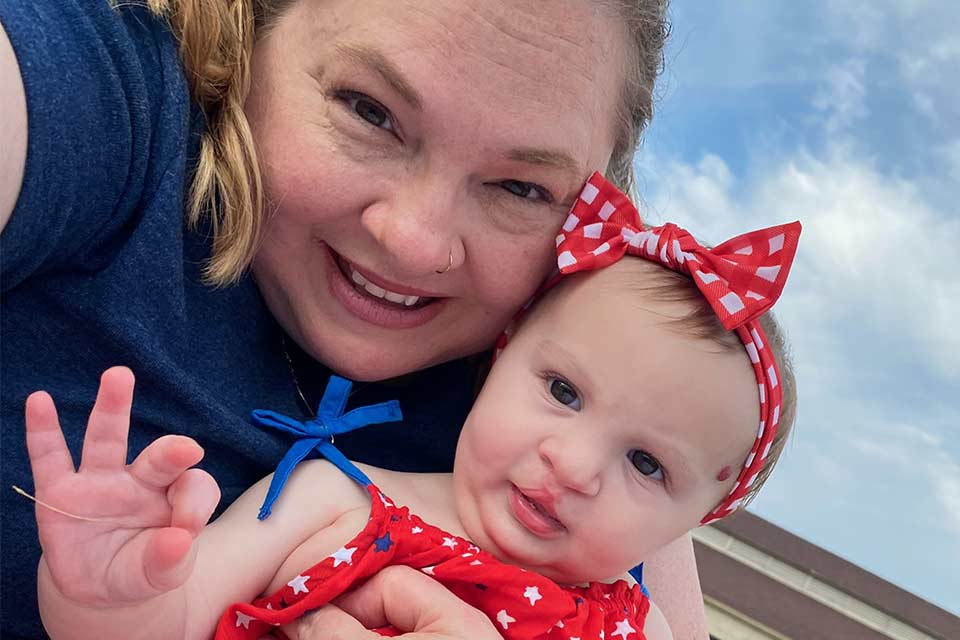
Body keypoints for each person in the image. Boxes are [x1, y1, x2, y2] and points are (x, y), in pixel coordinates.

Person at [0, 0, 709, 637]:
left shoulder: (595, 417)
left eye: (521, 187)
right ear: (255, 29)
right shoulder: (112, 104)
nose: (415, 240)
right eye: (370, 111)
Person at [23, 173, 801, 640]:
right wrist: (105, 592)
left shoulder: (637, 625)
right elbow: (171, 621)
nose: (573, 464)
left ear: (695, 520)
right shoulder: (336, 494)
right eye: (563, 392)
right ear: (502, 352)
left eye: (646, 463)